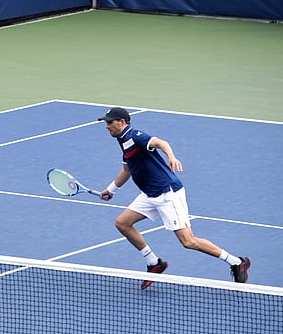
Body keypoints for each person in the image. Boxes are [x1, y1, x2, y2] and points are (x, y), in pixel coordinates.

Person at [97, 107, 251, 289]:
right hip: (150, 194)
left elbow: (161, 142)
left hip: (167, 193)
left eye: (110, 122)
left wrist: (171, 156)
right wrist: (111, 189)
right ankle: (154, 263)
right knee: (122, 223)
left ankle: (237, 262)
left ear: (122, 122)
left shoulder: (135, 135)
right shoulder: (123, 141)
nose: (107, 126)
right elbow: (127, 170)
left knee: (188, 241)